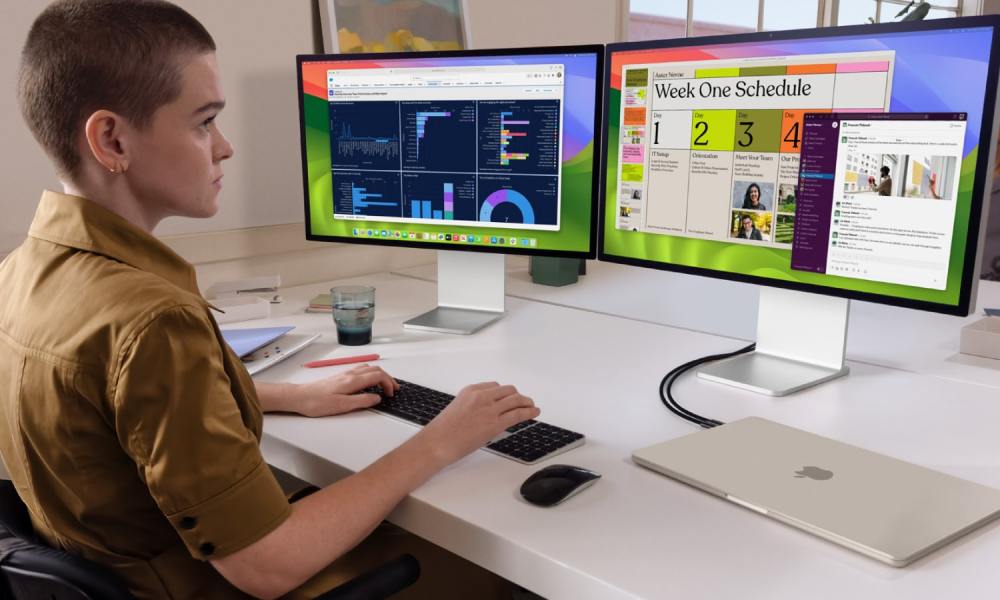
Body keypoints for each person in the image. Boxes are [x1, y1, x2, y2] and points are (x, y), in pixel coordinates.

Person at [0, 1, 539, 599]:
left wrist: (292, 397)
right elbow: (268, 565)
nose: (224, 147)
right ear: (111, 139)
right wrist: (441, 439)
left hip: (122, 567)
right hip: (202, 585)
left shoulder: (22, 273)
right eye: (203, 122)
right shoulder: (153, 319)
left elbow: (116, 405)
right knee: (490, 562)